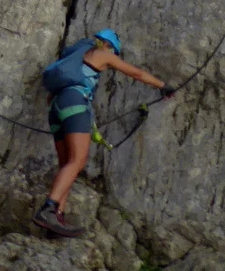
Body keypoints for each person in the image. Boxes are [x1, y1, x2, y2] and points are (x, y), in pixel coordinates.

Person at [34, 30, 172, 238]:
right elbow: (136, 73)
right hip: (75, 103)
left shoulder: (77, 57)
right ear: (109, 46)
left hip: (56, 106)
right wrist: (163, 86)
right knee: (77, 161)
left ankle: (56, 219)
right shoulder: (103, 53)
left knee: (67, 164)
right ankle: (48, 209)